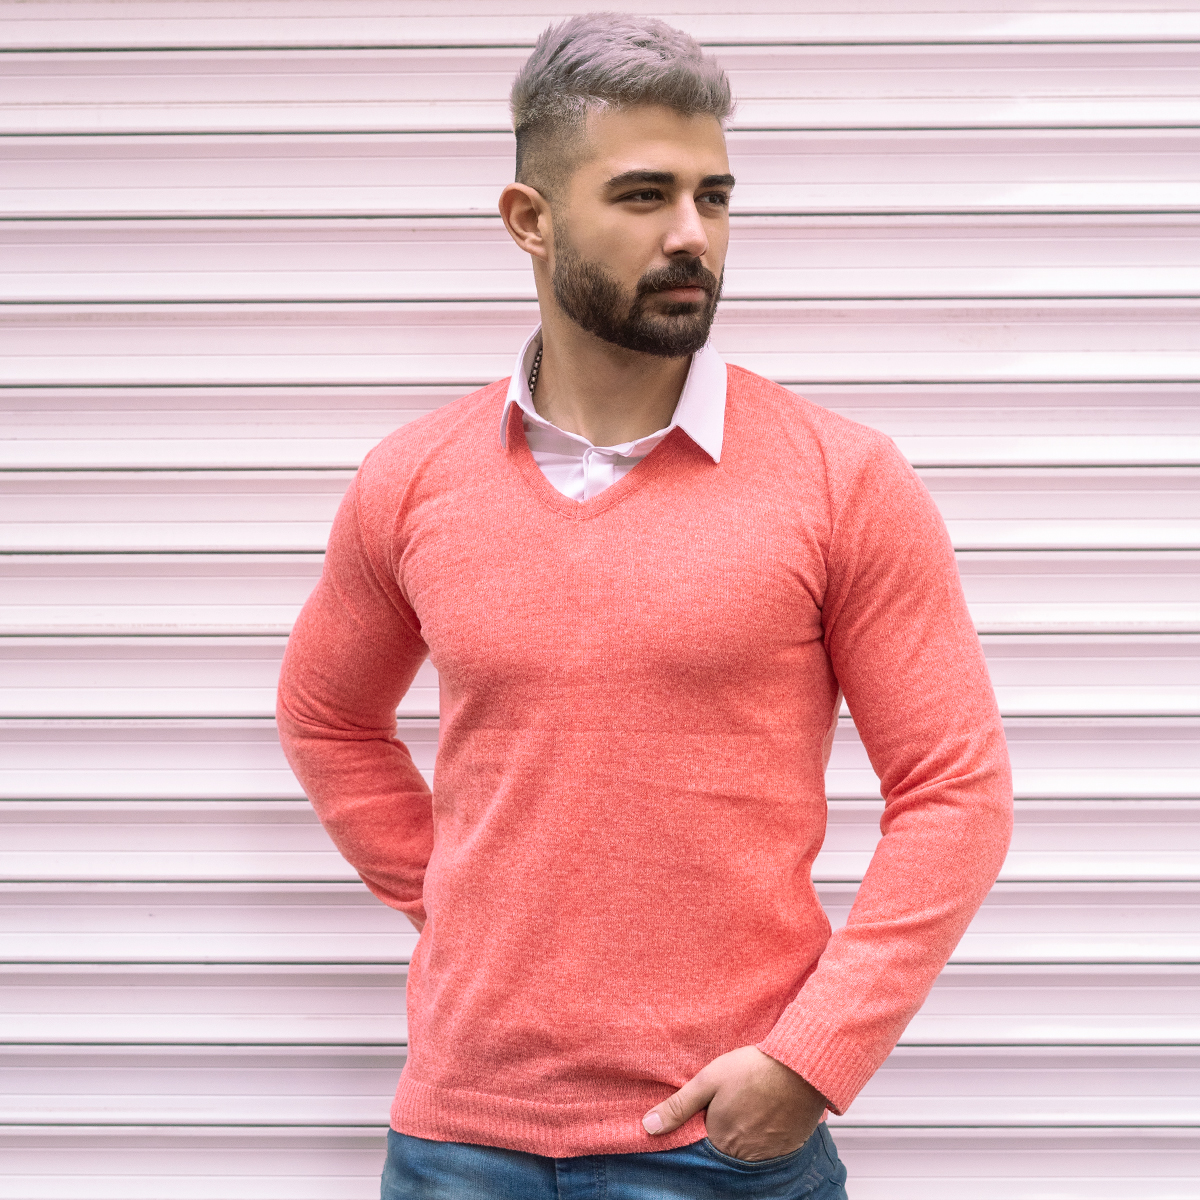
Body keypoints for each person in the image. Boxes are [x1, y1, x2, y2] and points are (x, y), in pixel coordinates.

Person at [277, 14, 1013, 1198]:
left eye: (713, 197)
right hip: (458, 1141)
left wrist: (812, 1058)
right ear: (530, 219)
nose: (691, 235)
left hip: (720, 1149)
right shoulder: (411, 479)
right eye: (643, 196)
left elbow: (954, 790)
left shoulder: (843, 480)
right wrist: (459, 907)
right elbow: (326, 719)